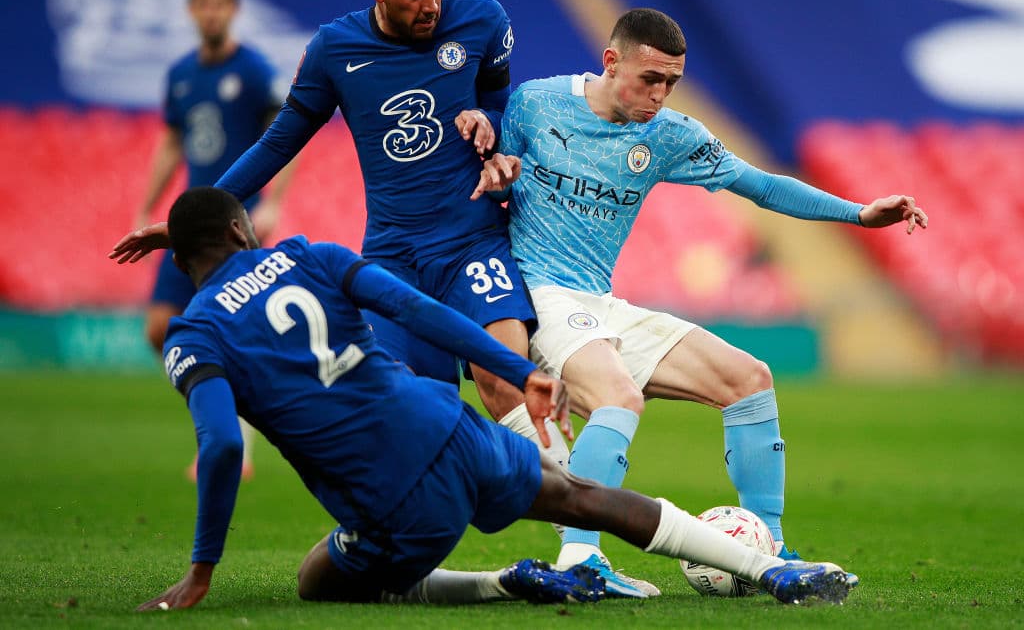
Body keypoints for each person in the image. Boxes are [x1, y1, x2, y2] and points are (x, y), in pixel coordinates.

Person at [110, 0, 593, 587]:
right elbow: (280, 140)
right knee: (414, 413)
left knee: (500, 376)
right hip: (392, 254)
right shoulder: (336, 49)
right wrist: (196, 217)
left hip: (471, 238)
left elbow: (499, 100)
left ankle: (584, 548)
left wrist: (493, 131)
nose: (431, 4)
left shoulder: (483, 20)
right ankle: (438, 570)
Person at [135, 186, 856, 611]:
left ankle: (501, 582)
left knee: (316, 578)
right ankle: (775, 570)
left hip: (390, 496)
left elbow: (222, 444)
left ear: (180, 258)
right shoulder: (309, 255)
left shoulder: (192, 335)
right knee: (581, 498)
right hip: (450, 426)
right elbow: (416, 309)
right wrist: (518, 367)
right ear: (240, 228)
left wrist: (201, 569)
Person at [473, 8, 927, 579]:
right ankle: (581, 558)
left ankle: (767, 548)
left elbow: (761, 185)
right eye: (650, 79)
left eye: (671, 82)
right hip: (540, 292)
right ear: (611, 61)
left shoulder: (670, 134)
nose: (659, 95)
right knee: (617, 397)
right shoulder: (536, 103)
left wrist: (858, 213)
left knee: (749, 379)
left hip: (599, 301)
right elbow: (484, 182)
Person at [135, 0, 297, 480]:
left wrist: (272, 202)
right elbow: (172, 142)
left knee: (230, 325)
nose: (211, 13)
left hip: (233, 222)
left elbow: (285, 136)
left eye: (220, 4)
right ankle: (221, 423)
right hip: (188, 218)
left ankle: (231, 441)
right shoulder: (182, 75)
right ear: (192, 10)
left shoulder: (253, 71)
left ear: (233, 10)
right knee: (160, 327)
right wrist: (147, 204)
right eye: (203, 4)